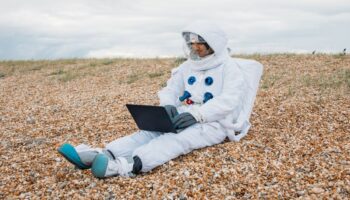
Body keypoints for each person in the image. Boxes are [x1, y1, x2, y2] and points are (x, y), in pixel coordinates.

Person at [58, 21, 263, 178]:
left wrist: (199, 115)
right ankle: (102, 154)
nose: (195, 47)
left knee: (176, 140)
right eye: (192, 42)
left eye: (199, 43)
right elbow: (171, 88)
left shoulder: (229, 68)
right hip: (185, 114)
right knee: (148, 132)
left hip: (214, 123)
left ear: (213, 44)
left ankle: (126, 165)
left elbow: (230, 100)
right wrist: (168, 105)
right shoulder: (188, 66)